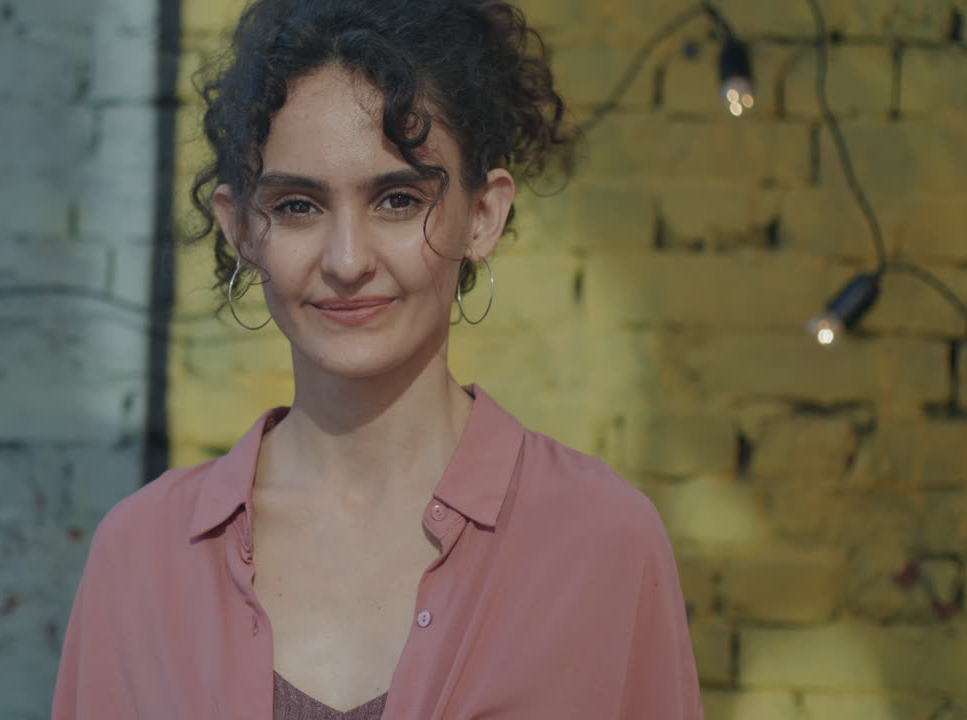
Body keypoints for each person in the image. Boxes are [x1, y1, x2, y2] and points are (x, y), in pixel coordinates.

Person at [51, 0, 703, 717]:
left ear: (482, 215)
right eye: (299, 205)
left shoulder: (605, 543)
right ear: (242, 229)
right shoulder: (141, 556)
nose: (348, 260)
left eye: (397, 199)